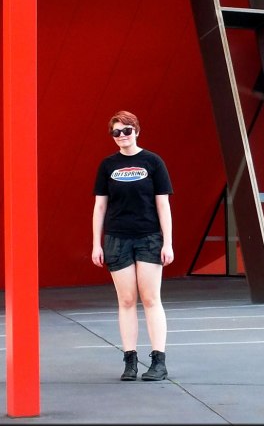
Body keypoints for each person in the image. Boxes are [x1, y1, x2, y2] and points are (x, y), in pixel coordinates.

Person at [92, 110, 174, 381]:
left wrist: (168, 243)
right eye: (116, 132)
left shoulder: (153, 162)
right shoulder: (107, 165)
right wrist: (96, 244)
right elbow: (100, 206)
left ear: (136, 131)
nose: (122, 136)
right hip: (117, 239)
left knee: (150, 299)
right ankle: (130, 361)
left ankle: (158, 362)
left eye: (126, 130)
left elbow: (163, 205)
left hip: (149, 237)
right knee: (126, 300)